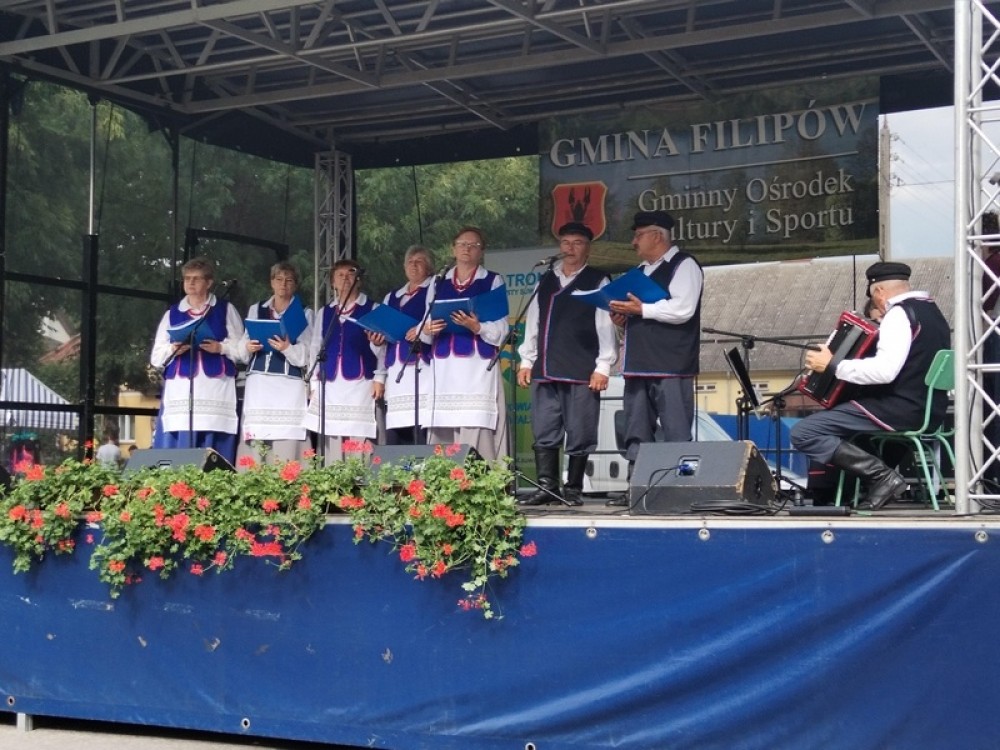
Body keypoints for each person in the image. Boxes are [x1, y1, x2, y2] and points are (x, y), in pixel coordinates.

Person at [790, 262, 951, 509]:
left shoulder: (899, 314)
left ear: (879, 292)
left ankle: (883, 477)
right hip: (929, 411)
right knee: (854, 433)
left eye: (875, 299)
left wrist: (832, 365)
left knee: (805, 432)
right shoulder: (933, 312)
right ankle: (862, 488)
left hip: (901, 409)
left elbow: (884, 371)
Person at [605, 210, 704, 507]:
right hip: (638, 365)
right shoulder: (640, 271)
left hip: (671, 365)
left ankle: (683, 490)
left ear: (657, 236)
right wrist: (622, 318)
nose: (633, 242)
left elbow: (683, 309)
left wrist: (642, 310)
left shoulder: (684, 265)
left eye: (638, 235)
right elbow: (639, 314)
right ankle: (636, 487)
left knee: (677, 431)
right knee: (636, 430)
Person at [516, 222, 617, 506]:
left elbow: (605, 325)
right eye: (565, 242)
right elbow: (533, 323)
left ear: (588, 248)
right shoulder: (545, 280)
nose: (570, 248)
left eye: (577, 243)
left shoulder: (598, 280)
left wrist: (603, 366)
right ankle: (547, 487)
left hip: (581, 369)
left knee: (580, 430)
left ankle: (572, 489)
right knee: (545, 428)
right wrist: (527, 361)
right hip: (546, 369)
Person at [424, 226, 510, 460]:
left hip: (477, 366)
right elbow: (425, 322)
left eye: (474, 245)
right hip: (444, 367)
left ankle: (479, 475)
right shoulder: (437, 282)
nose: (467, 249)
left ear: (482, 252)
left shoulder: (492, 280)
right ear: (453, 249)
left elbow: (502, 329)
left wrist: (477, 327)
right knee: (443, 425)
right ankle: (443, 477)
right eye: (462, 244)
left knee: (475, 422)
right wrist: (428, 329)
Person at [150, 257, 243, 465]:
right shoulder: (172, 313)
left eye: (196, 278)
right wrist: (173, 349)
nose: (190, 283)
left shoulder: (225, 309)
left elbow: (242, 350)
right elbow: (156, 357)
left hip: (214, 388)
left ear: (209, 283)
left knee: (212, 442)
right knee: (181, 440)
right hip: (182, 389)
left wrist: (221, 348)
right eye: (187, 279)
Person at [303, 259, 384, 462]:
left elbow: (384, 349)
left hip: (360, 382)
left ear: (359, 280)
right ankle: (334, 476)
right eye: (340, 275)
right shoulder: (325, 312)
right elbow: (316, 347)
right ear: (333, 282)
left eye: (350, 274)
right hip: (330, 383)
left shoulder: (372, 308)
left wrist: (380, 377)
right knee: (332, 436)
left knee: (358, 435)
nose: (345, 278)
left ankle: (360, 477)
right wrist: (314, 383)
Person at [238, 262, 314, 464]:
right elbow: (242, 346)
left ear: (295, 285)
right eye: (279, 279)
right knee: (258, 438)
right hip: (259, 385)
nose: (283, 284)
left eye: (289, 280)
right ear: (271, 282)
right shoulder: (257, 309)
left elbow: (308, 354)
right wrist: (248, 346)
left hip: (288, 384)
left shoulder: (304, 313)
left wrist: (287, 348)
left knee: (285, 443)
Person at [380, 245, 435, 445]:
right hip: (396, 370)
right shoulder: (392, 297)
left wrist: (420, 329)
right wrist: (377, 340)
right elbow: (384, 333)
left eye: (419, 261)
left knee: (419, 428)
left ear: (429, 267)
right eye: (410, 262)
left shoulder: (433, 290)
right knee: (397, 432)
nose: (414, 265)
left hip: (421, 367)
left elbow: (435, 321)